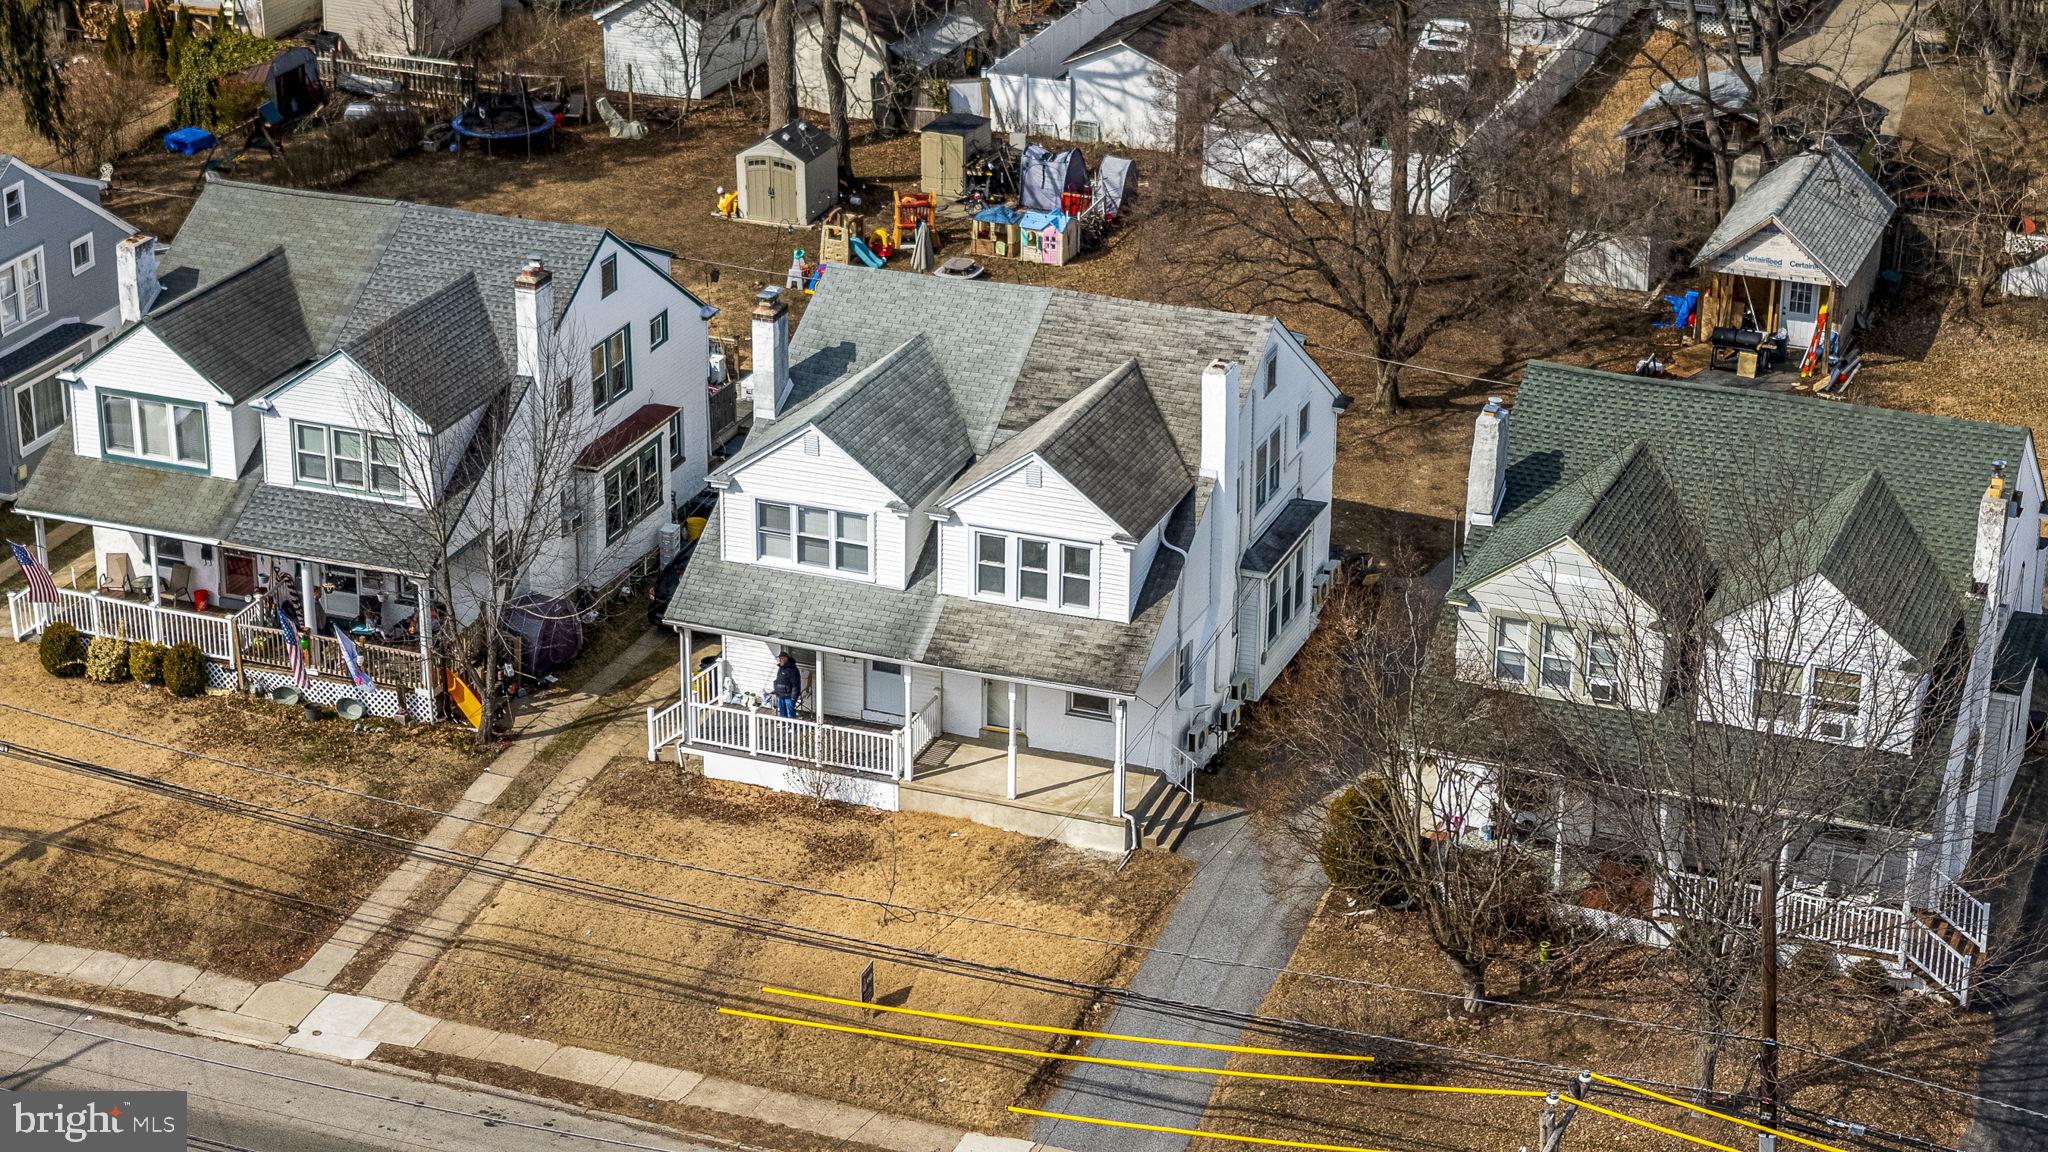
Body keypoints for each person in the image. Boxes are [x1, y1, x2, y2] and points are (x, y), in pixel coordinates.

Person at [772, 652, 802, 719]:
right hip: (780, 694)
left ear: (786, 658)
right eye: (779, 658)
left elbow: (796, 684)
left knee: (790, 712)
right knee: (782, 711)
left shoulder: (793, 669)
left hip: (789, 696)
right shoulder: (780, 668)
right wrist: (776, 689)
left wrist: (793, 697)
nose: (780, 660)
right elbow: (779, 680)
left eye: (782, 658)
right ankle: (783, 724)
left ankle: (792, 726)